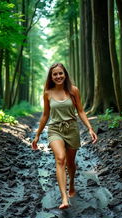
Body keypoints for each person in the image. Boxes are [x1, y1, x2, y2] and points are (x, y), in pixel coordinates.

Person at [31, 63, 98, 209]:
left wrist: (90, 128)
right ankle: (64, 198)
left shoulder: (73, 90)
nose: (58, 76)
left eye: (60, 73)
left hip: (72, 129)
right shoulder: (48, 93)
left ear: (65, 74)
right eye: (55, 74)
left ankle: (72, 183)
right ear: (51, 77)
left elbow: (80, 111)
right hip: (55, 129)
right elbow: (45, 115)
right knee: (60, 159)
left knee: (70, 163)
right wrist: (37, 135)